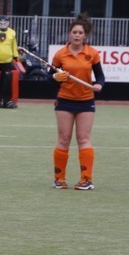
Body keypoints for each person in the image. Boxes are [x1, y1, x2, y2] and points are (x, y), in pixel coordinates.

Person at [50, 14, 105, 190]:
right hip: (64, 100)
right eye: (74, 32)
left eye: (80, 33)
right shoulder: (61, 54)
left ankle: (86, 179)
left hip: (86, 101)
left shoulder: (92, 53)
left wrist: (99, 84)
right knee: (64, 138)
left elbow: (100, 76)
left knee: (83, 138)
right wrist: (55, 77)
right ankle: (59, 179)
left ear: (85, 35)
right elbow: (50, 77)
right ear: (69, 34)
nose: (77, 35)